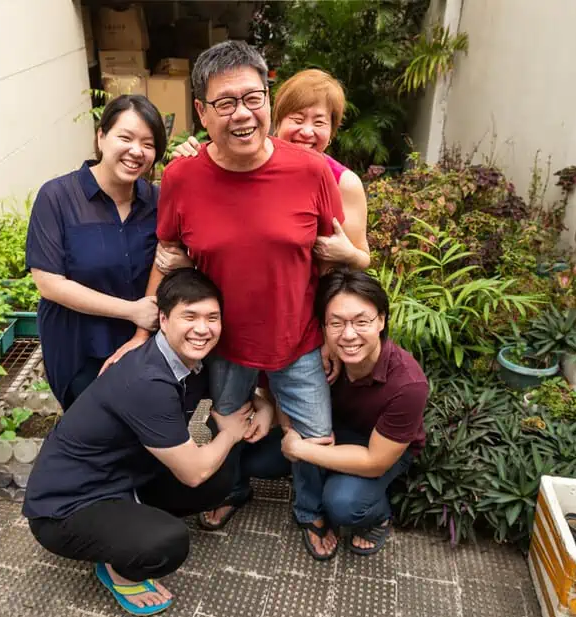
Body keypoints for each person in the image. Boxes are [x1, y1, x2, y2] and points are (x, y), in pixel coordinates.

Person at [106, 41, 346, 561]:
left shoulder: (309, 171)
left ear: (267, 98)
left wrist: (331, 334)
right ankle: (232, 491)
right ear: (201, 112)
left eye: (252, 98)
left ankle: (309, 510)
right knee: (224, 419)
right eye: (224, 102)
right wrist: (143, 331)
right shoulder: (182, 177)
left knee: (315, 435)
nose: (242, 113)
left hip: (299, 339)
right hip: (222, 342)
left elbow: (329, 261)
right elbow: (169, 256)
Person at [23, 268, 267, 616]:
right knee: (165, 542)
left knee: (222, 475)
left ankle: (128, 525)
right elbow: (193, 473)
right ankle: (119, 571)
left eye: (212, 317)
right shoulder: (146, 380)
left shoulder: (187, 359)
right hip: (66, 507)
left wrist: (265, 405)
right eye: (190, 316)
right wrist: (230, 432)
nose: (202, 328)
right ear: (163, 320)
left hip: (124, 477)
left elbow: (243, 400)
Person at [202, 268, 429, 556]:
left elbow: (375, 461)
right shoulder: (318, 357)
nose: (348, 335)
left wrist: (299, 450)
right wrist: (283, 425)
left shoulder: (408, 383)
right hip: (324, 434)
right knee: (252, 460)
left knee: (343, 504)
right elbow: (279, 388)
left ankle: (378, 515)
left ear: (381, 320)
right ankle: (322, 473)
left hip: (378, 447)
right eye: (336, 323)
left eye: (361, 322)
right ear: (322, 325)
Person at [25, 94, 167, 410]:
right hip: (79, 346)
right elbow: (48, 283)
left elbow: (168, 260)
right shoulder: (58, 197)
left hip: (143, 342)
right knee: (94, 434)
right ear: (101, 136)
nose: (136, 151)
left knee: (142, 436)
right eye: (126, 137)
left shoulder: (158, 201)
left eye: (148, 143)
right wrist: (131, 310)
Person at [161, 68, 370, 271]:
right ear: (276, 120)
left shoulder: (342, 182)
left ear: (331, 131)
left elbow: (361, 259)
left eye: (319, 123)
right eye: (297, 120)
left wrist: (347, 255)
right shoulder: (240, 161)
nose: (307, 131)